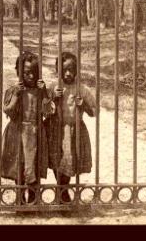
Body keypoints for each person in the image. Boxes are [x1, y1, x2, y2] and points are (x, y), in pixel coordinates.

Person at [1, 51, 55, 204]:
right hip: (18, 133)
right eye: (26, 73)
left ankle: (33, 199)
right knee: (20, 166)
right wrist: (17, 96)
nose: (31, 76)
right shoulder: (13, 90)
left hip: (36, 133)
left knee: (35, 166)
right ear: (19, 73)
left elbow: (48, 112)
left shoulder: (41, 91)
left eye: (34, 73)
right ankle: (20, 200)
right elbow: (8, 111)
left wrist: (44, 93)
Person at [46, 51, 96, 203]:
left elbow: (94, 111)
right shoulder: (53, 86)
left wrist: (84, 105)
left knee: (68, 160)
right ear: (57, 70)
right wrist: (54, 98)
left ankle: (63, 191)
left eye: (71, 70)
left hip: (74, 131)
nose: (68, 74)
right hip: (55, 129)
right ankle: (62, 190)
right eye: (64, 70)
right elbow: (44, 110)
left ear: (76, 70)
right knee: (56, 159)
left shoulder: (82, 89)